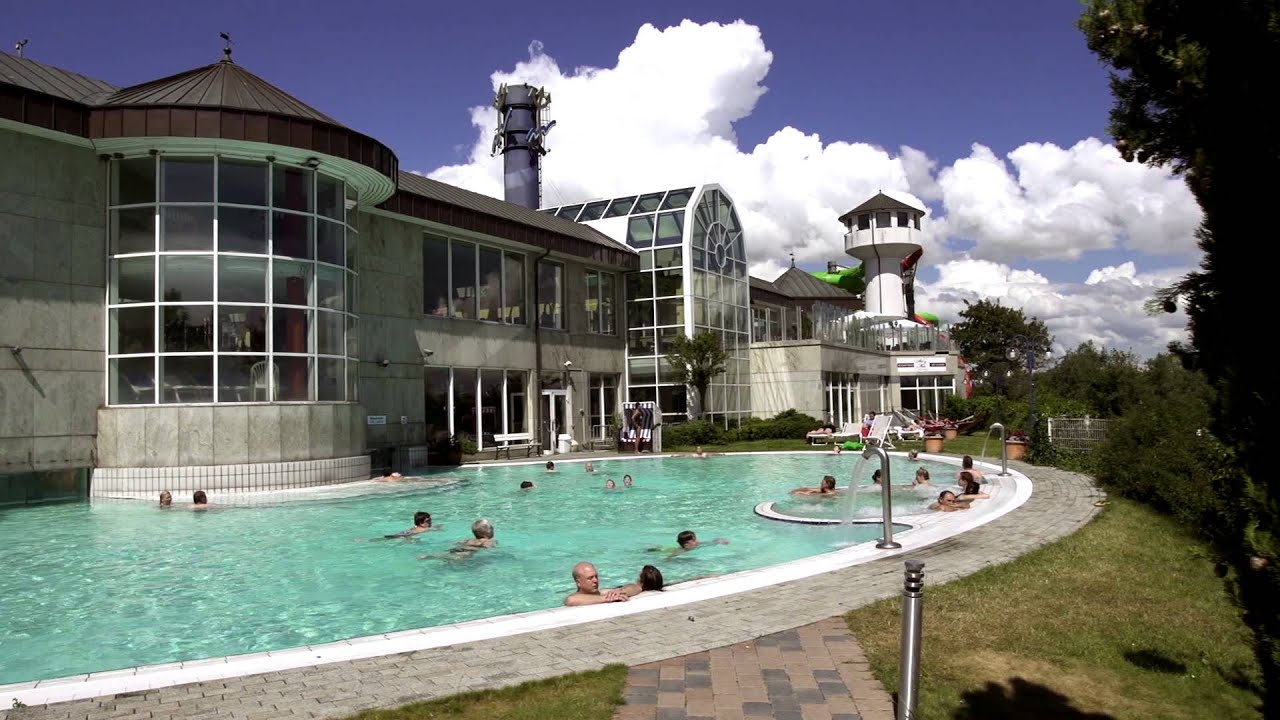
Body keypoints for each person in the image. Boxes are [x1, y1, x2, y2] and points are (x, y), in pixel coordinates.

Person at [420, 518, 498, 560]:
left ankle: (433, 556)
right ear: (487, 533)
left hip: (460, 548)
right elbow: (489, 547)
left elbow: (458, 542)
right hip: (469, 551)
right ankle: (435, 557)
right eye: (492, 529)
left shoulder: (469, 540)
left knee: (450, 554)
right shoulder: (489, 541)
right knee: (459, 558)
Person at [564, 562, 631, 606]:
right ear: (578, 582)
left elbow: (637, 587)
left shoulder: (602, 593)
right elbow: (571, 600)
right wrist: (606, 599)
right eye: (590, 578)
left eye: (596, 576)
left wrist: (620, 592)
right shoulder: (574, 598)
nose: (595, 580)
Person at [653, 530, 730, 559]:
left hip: (670, 547)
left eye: (687, 543)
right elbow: (669, 557)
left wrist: (719, 541)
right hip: (667, 549)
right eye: (694, 540)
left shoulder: (697, 544)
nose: (697, 541)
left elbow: (710, 542)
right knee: (658, 550)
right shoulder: (681, 550)